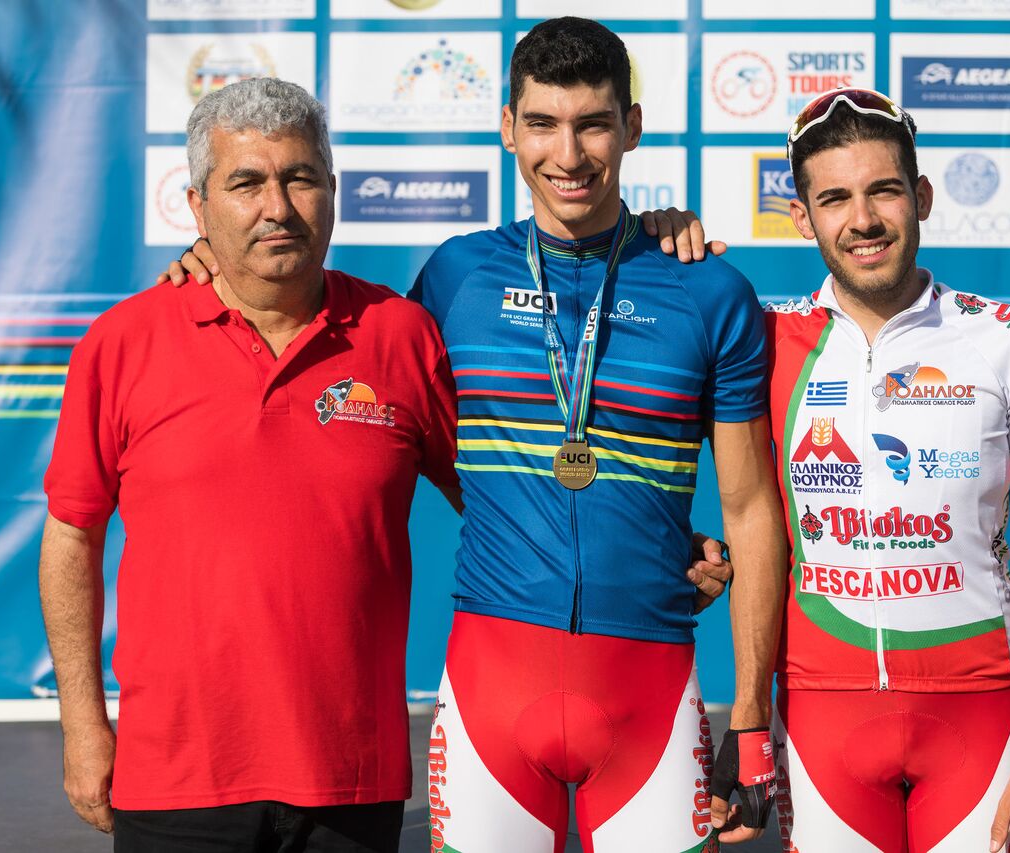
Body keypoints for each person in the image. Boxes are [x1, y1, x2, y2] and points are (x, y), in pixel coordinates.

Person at [167, 17, 785, 853]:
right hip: (492, 693)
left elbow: (751, 510)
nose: (568, 154)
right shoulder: (455, 278)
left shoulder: (705, 289)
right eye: (542, 124)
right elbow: (323, 351)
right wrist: (213, 262)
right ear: (506, 128)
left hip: (651, 689)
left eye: (594, 124)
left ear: (632, 127)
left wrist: (750, 717)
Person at [40, 78, 463, 852]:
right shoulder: (122, 342)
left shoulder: (401, 335)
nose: (278, 207)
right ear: (198, 207)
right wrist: (82, 723)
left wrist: (653, 551)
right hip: (176, 777)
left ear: (332, 190)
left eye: (300, 177)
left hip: (352, 776)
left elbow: (505, 503)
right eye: (246, 183)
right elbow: (71, 535)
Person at [764, 88, 1010, 853]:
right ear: (803, 218)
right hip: (820, 718)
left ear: (920, 197)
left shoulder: (1008, 339)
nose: (863, 220)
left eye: (883, 191)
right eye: (835, 199)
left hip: (977, 715)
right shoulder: (764, 342)